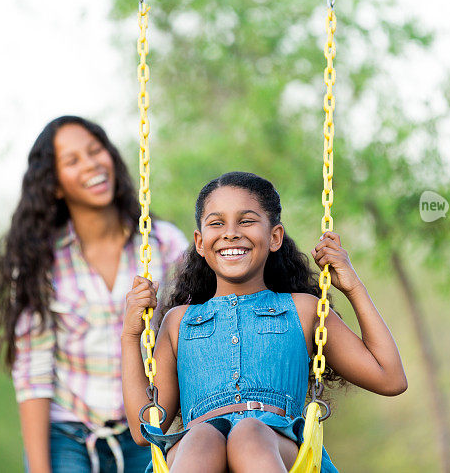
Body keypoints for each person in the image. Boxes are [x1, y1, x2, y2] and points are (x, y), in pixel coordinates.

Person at [121, 171, 407, 472]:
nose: (230, 232)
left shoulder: (304, 309)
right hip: (199, 447)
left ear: (274, 237)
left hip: (275, 443)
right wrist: (130, 336)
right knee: (202, 435)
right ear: (201, 242)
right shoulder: (178, 322)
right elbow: (145, 429)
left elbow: (389, 377)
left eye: (246, 221)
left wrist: (352, 286)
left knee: (250, 432)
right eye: (217, 223)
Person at [0, 116, 188, 473]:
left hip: (150, 428)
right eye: (72, 160)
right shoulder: (40, 262)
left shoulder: (163, 243)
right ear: (55, 185)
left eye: (96, 151)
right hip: (68, 437)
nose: (91, 164)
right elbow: (33, 373)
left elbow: (192, 336)